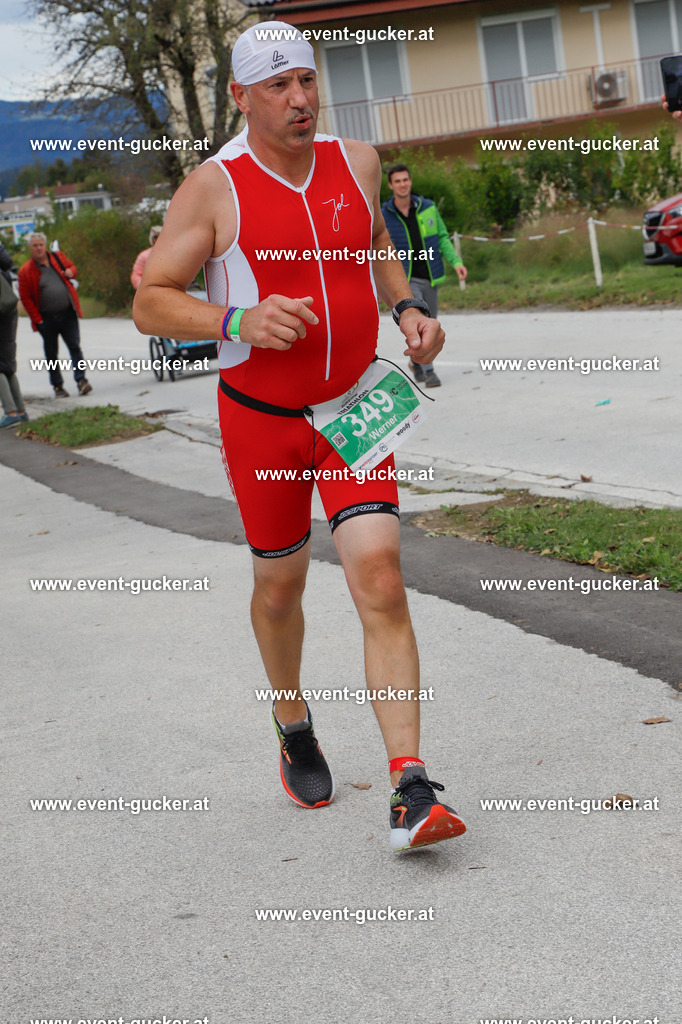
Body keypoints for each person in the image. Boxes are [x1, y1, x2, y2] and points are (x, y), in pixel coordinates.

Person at [133, 22, 466, 852]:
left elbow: (377, 243)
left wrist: (407, 307)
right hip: (264, 423)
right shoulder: (214, 189)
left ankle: (410, 787)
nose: (299, 99)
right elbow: (151, 300)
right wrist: (237, 319)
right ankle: (292, 722)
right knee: (281, 588)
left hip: (354, 408)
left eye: (307, 81)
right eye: (278, 86)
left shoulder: (358, 162)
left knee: (381, 578)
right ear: (241, 97)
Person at [382, 164, 467, 388]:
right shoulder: (384, 214)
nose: (402, 184)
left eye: (405, 180)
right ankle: (430, 372)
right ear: (390, 185)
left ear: (410, 181)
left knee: (431, 322)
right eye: (397, 181)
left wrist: (456, 263)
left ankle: (416, 363)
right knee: (422, 323)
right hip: (406, 279)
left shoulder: (427, 207)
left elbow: (442, 238)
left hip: (430, 275)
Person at [18, 232, 92, 397]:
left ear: (45, 245)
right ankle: (58, 386)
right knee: (52, 354)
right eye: (35, 246)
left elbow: (72, 268)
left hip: (68, 313)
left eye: (41, 245)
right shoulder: (26, 271)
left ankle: (81, 381)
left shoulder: (57, 258)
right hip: (47, 319)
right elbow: (26, 298)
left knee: (75, 347)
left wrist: (71, 272)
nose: (39, 248)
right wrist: (38, 320)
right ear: (30, 248)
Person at [0, 241, 28, 428]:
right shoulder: (5, 269)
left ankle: (10, 412)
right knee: (8, 364)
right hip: (9, 315)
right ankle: (20, 410)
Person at [131, 225, 163, 290]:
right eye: (156, 237)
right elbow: (136, 276)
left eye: (161, 236)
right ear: (152, 239)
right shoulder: (143, 256)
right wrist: (146, 289)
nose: (158, 239)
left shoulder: (172, 255)